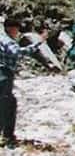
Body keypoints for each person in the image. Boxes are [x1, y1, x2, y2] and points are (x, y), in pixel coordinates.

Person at [1, 18, 46, 148]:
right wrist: (37, 44)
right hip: (4, 74)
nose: (18, 32)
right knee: (8, 106)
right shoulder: (7, 41)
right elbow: (17, 53)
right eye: (17, 28)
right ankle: (7, 137)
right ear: (11, 28)